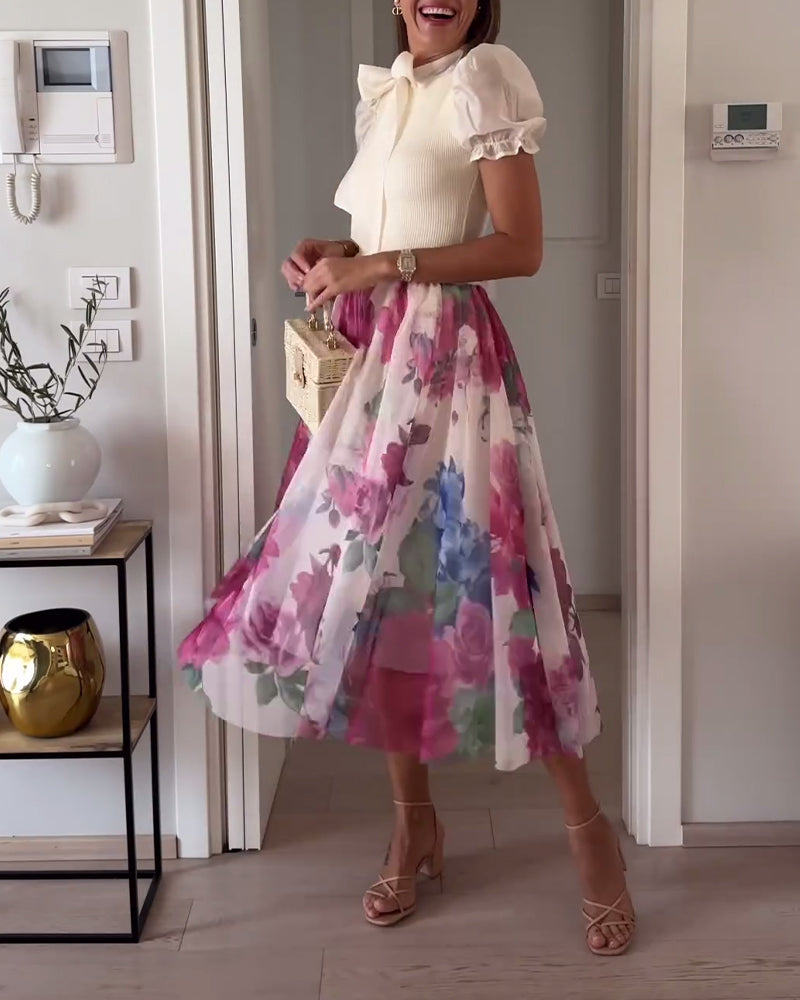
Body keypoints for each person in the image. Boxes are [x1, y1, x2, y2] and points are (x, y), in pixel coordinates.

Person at [179, 0, 635, 955]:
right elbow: (398, 228)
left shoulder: (487, 75)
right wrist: (338, 255)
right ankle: (412, 826)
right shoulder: (388, 91)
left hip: (447, 359)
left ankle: (591, 838)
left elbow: (519, 247)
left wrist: (384, 261)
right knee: (377, 590)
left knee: (501, 591)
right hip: (371, 362)